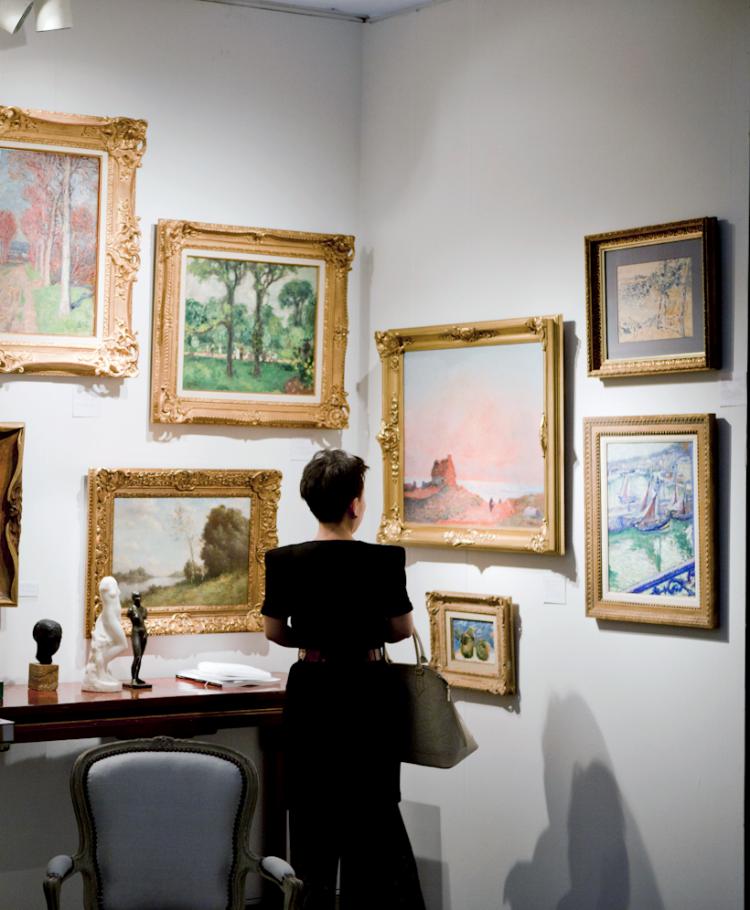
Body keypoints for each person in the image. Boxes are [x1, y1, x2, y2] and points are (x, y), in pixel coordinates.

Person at [262, 449, 426, 910]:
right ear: (356, 504)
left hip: (312, 692)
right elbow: (401, 629)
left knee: (312, 826)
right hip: (369, 693)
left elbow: (274, 631)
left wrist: (315, 638)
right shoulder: (384, 560)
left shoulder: (284, 560)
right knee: (372, 825)